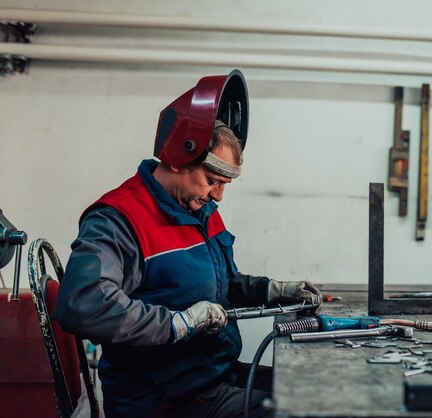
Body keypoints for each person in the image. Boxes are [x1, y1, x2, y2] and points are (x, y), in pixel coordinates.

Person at [53, 70, 323, 418]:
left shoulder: (200, 208)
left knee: (315, 391)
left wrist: (273, 290)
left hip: (214, 375)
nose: (219, 196)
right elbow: (83, 303)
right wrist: (178, 324)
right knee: (304, 411)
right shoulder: (118, 219)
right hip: (165, 400)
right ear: (177, 159)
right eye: (212, 180)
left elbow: (218, 287)